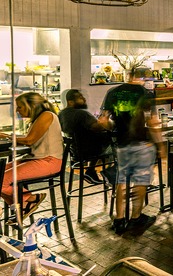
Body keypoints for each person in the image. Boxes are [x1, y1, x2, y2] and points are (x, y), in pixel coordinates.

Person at [101, 82, 163, 234]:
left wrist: (114, 129)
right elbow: (152, 121)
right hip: (142, 143)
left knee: (122, 180)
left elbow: (102, 121)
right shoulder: (145, 92)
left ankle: (119, 220)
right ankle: (136, 218)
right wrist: (160, 144)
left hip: (122, 145)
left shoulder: (112, 92)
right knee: (141, 181)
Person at [0, 93, 64, 223]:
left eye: (20, 107)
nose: (17, 110)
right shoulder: (39, 118)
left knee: (1, 181)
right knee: (0, 174)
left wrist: (6, 136)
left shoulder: (47, 115)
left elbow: (29, 140)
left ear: (32, 105)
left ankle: (30, 199)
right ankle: (24, 205)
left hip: (49, 161)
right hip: (37, 159)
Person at [58, 89, 113, 184]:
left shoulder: (62, 114)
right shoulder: (81, 114)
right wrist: (106, 120)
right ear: (70, 102)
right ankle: (111, 173)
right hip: (89, 151)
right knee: (119, 143)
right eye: (80, 98)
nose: (84, 99)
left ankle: (91, 171)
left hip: (75, 151)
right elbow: (98, 127)